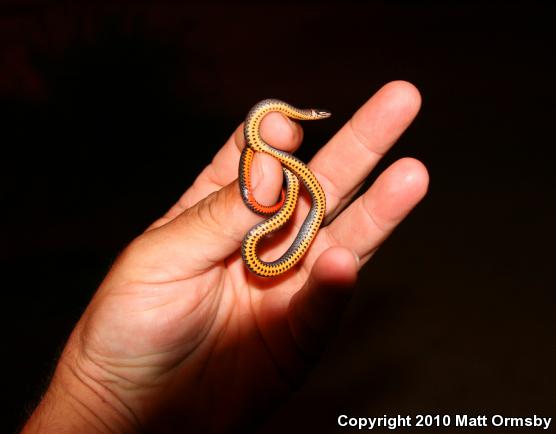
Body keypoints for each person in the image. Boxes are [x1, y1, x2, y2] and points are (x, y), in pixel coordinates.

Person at [22, 81, 428, 433]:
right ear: (310, 114)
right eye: (317, 114)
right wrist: (99, 393)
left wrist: (93, 399)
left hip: (271, 225)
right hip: (265, 210)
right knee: (279, 192)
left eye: (316, 114)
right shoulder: (274, 132)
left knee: (299, 206)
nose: (319, 115)